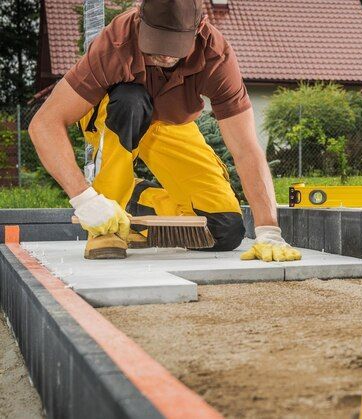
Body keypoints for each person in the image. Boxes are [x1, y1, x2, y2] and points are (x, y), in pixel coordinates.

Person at [28, 0, 300, 262]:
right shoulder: (115, 43)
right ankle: (106, 224)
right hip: (118, 116)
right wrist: (85, 200)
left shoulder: (216, 57)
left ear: (200, 27)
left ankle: (134, 200)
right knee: (131, 100)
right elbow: (44, 124)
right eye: (157, 43)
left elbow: (246, 149)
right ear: (139, 17)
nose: (167, 55)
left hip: (172, 124)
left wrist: (268, 230)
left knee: (223, 229)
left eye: (176, 45)